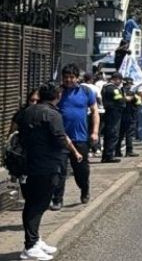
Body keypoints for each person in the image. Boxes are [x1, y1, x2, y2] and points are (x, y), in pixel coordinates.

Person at [16, 83, 85, 261]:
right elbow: (59, 137)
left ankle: (35, 240)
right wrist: (68, 151)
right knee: (37, 204)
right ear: (57, 96)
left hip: (29, 163)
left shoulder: (27, 112)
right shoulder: (52, 114)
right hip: (46, 164)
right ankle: (30, 246)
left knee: (33, 202)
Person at [52, 64, 98, 211]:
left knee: (81, 171)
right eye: (66, 77)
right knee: (60, 170)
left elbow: (95, 112)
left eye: (72, 77)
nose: (69, 80)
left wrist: (95, 132)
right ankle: (57, 199)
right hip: (61, 138)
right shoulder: (57, 92)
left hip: (80, 138)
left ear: (77, 78)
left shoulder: (86, 91)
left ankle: (84, 189)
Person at [99, 72, 124, 163]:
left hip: (109, 112)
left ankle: (106, 155)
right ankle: (109, 156)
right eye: (120, 80)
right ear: (116, 79)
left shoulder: (105, 87)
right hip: (114, 113)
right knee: (113, 134)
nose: (120, 82)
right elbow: (120, 100)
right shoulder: (113, 89)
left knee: (108, 134)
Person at [116, 78, 140, 158]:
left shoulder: (120, 91)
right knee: (128, 134)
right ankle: (129, 151)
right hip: (129, 116)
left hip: (123, 116)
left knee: (121, 134)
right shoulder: (129, 92)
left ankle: (117, 151)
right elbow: (138, 102)